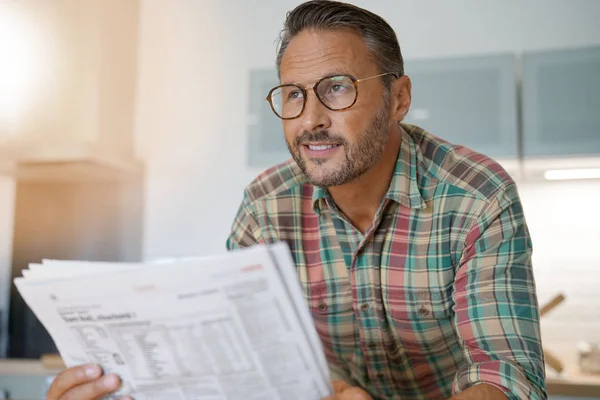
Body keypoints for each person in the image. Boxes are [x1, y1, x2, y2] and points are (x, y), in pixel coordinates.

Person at [45, 1, 546, 399]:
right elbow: (243, 360)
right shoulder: (266, 207)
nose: (310, 120)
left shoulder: (476, 195)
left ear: (398, 99)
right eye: (292, 94)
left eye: (336, 88)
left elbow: (508, 378)